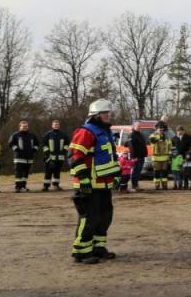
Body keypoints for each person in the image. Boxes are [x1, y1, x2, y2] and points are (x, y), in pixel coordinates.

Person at [69, 99, 121, 264]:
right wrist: (83, 179)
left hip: (103, 184)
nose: (108, 115)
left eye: (109, 113)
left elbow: (110, 158)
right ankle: (81, 252)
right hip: (89, 184)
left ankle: (98, 248)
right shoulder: (86, 132)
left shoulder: (105, 132)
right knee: (89, 218)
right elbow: (75, 156)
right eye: (105, 113)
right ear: (96, 115)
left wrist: (116, 176)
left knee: (104, 217)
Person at [9, 120, 39, 193]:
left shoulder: (32, 135)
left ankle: (23, 186)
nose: (25, 127)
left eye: (26, 126)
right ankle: (17, 187)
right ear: (20, 127)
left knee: (25, 173)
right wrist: (17, 150)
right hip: (19, 158)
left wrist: (34, 150)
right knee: (18, 173)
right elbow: (11, 144)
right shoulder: (15, 135)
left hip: (29, 158)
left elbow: (37, 144)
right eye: (23, 126)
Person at [42, 120, 69, 191]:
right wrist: (47, 153)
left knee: (57, 172)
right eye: (55, 124)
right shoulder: (47, 135)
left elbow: (67, 144)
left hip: (60, 157)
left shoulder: (64, 135)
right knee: (48, 172)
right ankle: (46, 186)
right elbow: (44, 145)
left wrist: (64, 151)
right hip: (49, 157)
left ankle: (56, 185)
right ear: (52, 125)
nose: (56, 125)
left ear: (59, 126)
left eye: (57, 124)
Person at [149, 122, 173, 191]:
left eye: (163, 130)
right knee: (157, 172)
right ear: (157, 129)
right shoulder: (153, 135)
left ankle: (164, 185)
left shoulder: (167, 137)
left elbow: (170, 146)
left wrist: (170, 154)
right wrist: (159, 137)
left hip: (165, 158)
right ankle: (157, 186)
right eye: (160, 130)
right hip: (156, 158)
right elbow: (151, 140)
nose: (162, 131)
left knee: (165, 173)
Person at [128, 122, 147, 192]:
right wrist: (133, 157)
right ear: (134, 126)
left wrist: (145, 154)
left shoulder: (140, 135)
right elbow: (131, 147)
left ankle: (136, 185)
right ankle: (133, 186)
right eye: (138, 126)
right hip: (136, 157)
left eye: (140, 126)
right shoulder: (132, 135)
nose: (139, 127)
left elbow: (143, 145)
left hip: (141, 156)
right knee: (135, 171)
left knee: (138, 172)